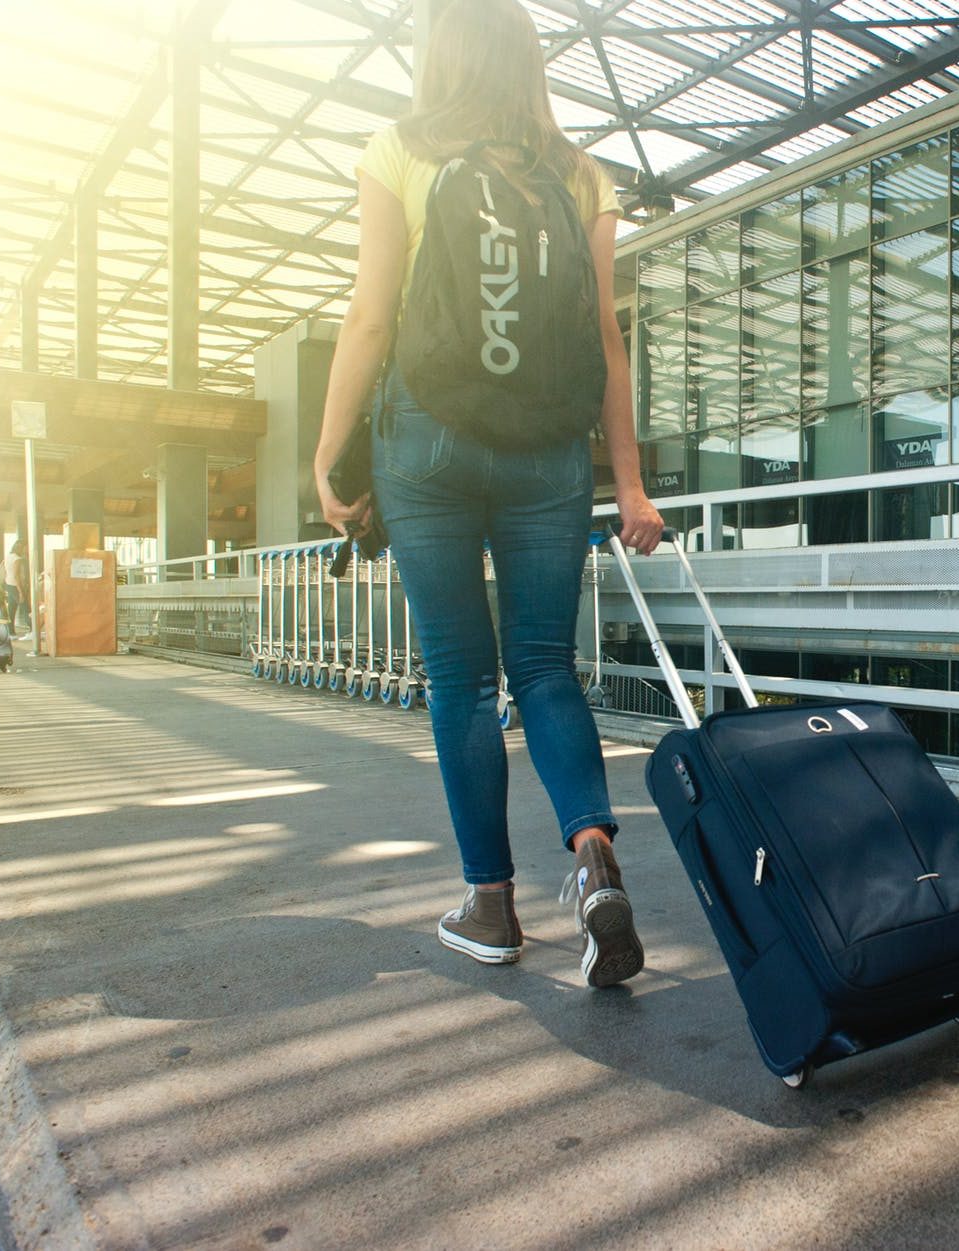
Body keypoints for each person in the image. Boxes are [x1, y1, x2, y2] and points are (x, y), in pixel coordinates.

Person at [314, 0, 664, 987]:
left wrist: (330, 453)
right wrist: (630, 484)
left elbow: (370, 318)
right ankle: (595, 860)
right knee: (547, 668)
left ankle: (491, 905)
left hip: (425, 446)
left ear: (438, 52)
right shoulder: (581, 173)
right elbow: (606, 341)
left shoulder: (399, 149)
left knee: (463, 680)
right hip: (549, 454)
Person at [3, 540, 29, 637]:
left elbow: (6, 570)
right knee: (25, 608)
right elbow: (16, 576)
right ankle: (32, 631)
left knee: (11, 609)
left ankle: (10, 632)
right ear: (20, 547)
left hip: (9, 584)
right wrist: (21, 591)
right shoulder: (17, 559)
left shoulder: (8, 556)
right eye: (25, 547)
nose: (27, 549)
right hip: (15, 585)